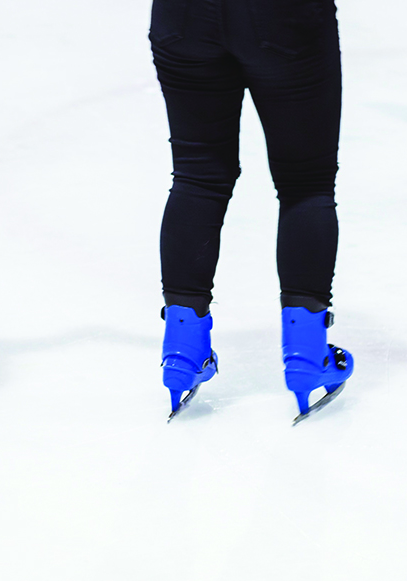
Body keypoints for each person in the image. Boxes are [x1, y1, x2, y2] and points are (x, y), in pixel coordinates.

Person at [150, 0, 354, 423]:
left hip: (182, 15)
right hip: (281, 17)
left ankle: (184, 350)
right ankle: (306, 353)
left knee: (197, 175)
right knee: (306, 183)